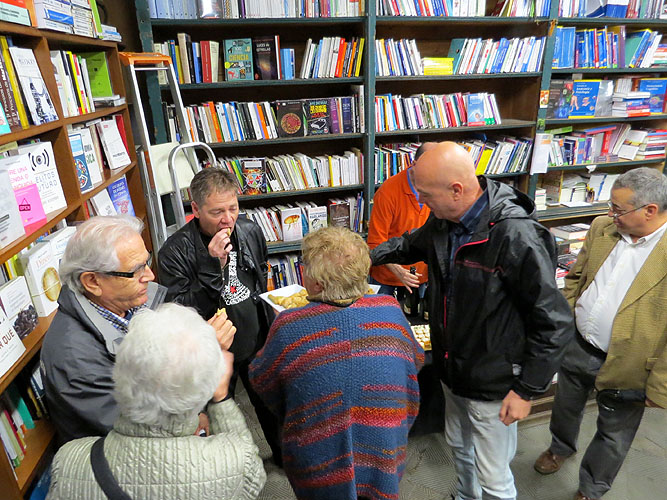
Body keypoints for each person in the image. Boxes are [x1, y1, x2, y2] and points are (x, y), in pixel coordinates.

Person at [371, 142, 573, 500]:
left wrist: (527, 389)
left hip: (492, 380)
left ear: (456, 189)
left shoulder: (515, 235)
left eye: (426, 195)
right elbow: (408, 245)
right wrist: (362, 256)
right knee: (460, 447)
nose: (421, 202)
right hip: (454, 370)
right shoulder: (444, 219)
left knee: (494, 475)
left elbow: (553, 321)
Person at [249, 226, 424, 500]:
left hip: (318, 461)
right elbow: (415, 360)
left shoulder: (288, 325)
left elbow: (262, 381)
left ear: (318, 284)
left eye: (305, 268)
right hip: (385, 448)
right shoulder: (390, 310)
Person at [40, 215, 234, 446]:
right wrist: (201, 359)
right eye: (136, 270)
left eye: (147, 261)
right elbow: (140, 430)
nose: (150, 276)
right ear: (92, 281)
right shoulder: (73, 359)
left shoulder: (132, 302)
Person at [534, 167, 667, 500]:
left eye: (618, 209)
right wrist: (564, 323)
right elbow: (575, 278)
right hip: (578, 345)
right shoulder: (601, 228)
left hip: (630, 366)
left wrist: (660, 386)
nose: (611, 215)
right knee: (565, 406)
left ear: (650, 210)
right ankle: (560, 447)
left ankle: (591, 489)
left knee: (614, 433)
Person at [47, 303, 266, 500]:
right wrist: (221, 398)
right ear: (204, 391)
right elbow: (253, 477)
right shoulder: (235, 462)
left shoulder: (68, 461)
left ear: (119, 370)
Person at [158, 167, 280, 464]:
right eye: (217, 212)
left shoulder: (249, 230)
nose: (228, 219)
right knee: (216, 417)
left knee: (271, 406)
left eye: (233, 208)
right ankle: (226, 471)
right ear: (196, 209)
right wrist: (213, 265)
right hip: (211, 350)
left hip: (254, 338)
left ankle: (282, 459)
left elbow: (260, 273)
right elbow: (181, 310)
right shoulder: (174, 251)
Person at [367, 142, 436, 303]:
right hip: (387, 279)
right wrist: (399, 271)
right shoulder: (387, 192)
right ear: (414, 164)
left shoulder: (439, 188)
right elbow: (375, 243)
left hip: (421, 277)